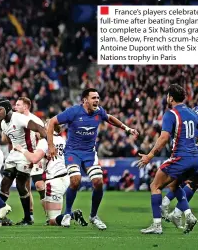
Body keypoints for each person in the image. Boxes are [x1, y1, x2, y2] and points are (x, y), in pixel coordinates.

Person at [47, 88, 139, 230]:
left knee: (98, 182)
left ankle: (93, 216)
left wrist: (127, 128)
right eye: (93, 98)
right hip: (73, 152)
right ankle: (66, 214)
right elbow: (52, 121)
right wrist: (51, 145)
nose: (96, 100)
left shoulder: (99, 112)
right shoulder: (74, 111)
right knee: (75, 180)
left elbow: (110, 118)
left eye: (98, 97)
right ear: (85, 100)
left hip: (89, 153)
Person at [138, 84, 198, 234]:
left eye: (167, 95)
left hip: (180, 157)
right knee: (174, 186)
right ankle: (189, 215)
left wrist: (150, 155)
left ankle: (157, 225)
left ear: (171, 97)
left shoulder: (170, 114)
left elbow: (164, 137)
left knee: (155, 186)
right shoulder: (193, 113)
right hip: (194, 160)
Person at [161, 86, 198, 227]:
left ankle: (171, 209)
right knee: (194, 181)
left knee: (187, 177)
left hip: (184, 138)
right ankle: (170, 208)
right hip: (195, 141)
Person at [13, 121, 87, 227]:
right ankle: (69, 216)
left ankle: (73, 215)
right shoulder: (62, 140)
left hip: (54, 181)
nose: (43, 127)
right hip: (66, 178)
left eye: (46, 125)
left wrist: (21, 149)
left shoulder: (45, 141)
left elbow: (34, 159)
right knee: (57, 217)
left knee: (52, 221)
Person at [0, 98, 47, 225]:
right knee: (5, 183)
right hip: (13, 154)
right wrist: (9, 155)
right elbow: (9, 140)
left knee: (20, 185)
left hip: (25, 154)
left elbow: (38, 128)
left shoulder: (19, 118)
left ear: (7, 109)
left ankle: (28, 217)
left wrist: (48, 146)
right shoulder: (3, 123)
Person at [14, 97, 45, 222]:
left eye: (18, 105)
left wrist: (41, 155)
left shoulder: (35, 120)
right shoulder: (16, 119)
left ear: (26, 107)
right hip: (23, 156)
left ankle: (50, 214)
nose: (15, 107)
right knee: (25, 185)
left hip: (36, 155)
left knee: (39, 185)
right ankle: (29, 215)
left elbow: (43, 136)